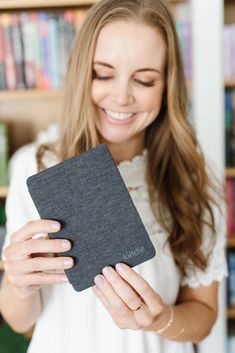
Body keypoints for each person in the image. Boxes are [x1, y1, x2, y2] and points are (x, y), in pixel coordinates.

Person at [0, 0, 227, 352]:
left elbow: (204, 316)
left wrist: (160, 319)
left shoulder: (195, 178)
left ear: (167, 85)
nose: (121, 96)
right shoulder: (34, 166)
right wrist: (18, 285)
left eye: (144, 79)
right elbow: (21, 322)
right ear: (80, 73)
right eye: (103, 74)